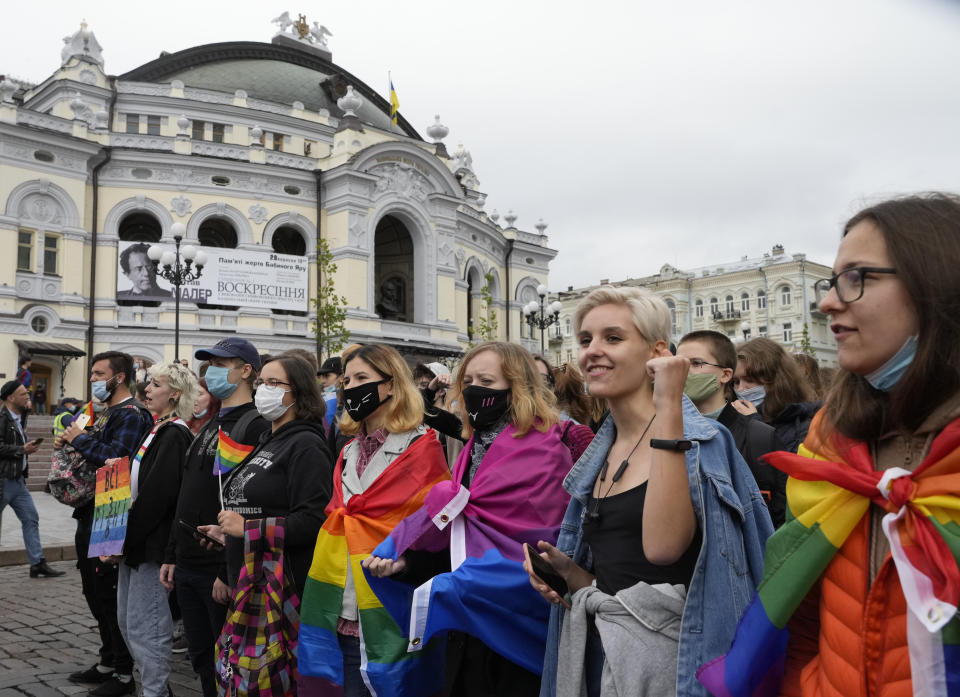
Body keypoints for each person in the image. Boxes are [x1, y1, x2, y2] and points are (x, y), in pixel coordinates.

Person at [697, 193, 960, 697]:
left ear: (936, 284)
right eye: (831, 281)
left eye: (858, 279)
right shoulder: (830, 446)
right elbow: (803, 616)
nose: (828, 302)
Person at [523, 286, 771, 697]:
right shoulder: (601, 450)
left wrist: (670, 403)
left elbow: (662, 550)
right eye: (585, 340)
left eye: (613, 338)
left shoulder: (704, 442)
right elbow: (622, 580)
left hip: (680, 670)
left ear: (657, 353)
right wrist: (571, 574)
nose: (592, 351)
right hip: (606, 660)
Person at [364, 341, 575, 697]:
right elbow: (461, 535)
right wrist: (407, 562)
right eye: (469, 380)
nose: (476, 390)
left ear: (518, 387)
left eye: (488, 382)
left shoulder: (549, 449)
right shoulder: (474, 448)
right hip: (468, 630)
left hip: (517, 631)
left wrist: (463, 584)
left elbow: (544, 549)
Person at [297, 344, 450, 697]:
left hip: (389, 610)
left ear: (392, 385)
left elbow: (436, 535)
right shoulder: (348, 450)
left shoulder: (423, 449)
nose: (351, 387)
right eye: (347, 380)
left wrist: (404, 562)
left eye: (362, 378)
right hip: (338, 607)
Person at [162, 338, 269, 697]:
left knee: (229, 661)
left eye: (222, 364)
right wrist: (172, 554)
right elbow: (187, 492)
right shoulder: (210, 423)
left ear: (246, 371)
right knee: (201, 659)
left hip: (218, 567)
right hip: (189, 563)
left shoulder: (256, 425)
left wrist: (228, 569)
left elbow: (250, 501)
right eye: (209, 364)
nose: (212, 372)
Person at [58, 351, 154, 697]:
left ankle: (124, 674)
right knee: (94, 591)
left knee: (109, 594)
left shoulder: (130, 414)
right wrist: (72, 442)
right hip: (93, 509)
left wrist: (78, 441)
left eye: (100, 374)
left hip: (111, 512)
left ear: (120, 378)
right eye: (93, 374)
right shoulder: (104, 412)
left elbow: (118, 462)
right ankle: (108, 660)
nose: (94, 380)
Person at [199, 353, 333, 595]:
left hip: (280, 587)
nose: (262, 389)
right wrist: (230, 535)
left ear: (299, 391)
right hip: (249, 578)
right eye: (260, 383)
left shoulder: (307, 445)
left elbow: (313, 521)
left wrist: (248, 529)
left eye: (273, 383)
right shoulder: (268, 440)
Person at [111, 363, 196, 697]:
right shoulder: (157, 428)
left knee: (147, 629)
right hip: (136, 544)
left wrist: (121, 540)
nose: (147, 388)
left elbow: (157, 499)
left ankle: (156, 691)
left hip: (150, 546)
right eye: (148, 382)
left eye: (156, 384)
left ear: (174, 393)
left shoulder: (174, 433)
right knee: (128, 623)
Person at [676, 331, 788, 527]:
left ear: (725, 375)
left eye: (696, 363)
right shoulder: (664, 432)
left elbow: (776, 518)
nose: (685, 371)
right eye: (680, 363)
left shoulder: (759, 436)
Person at [0, 380, 64, 578]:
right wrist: (22, 450)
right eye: (23, 395)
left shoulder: (18, 417)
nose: (28, 397)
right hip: (3, 480)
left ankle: (37, 562)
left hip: (18, 481)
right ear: (10, 398)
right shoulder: (2, 418)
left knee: (31, 518)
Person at [733, 337, 820, 453]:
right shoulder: (735, 420)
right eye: (736, 382)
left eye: (749, 380)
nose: (741, 389)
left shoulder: (804, 424)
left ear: (776, 380)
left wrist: (755, 425)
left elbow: (781, 467)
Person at [318, 355, 343, 435]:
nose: (323, 381)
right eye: (321, 377)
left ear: (342, 377)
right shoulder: (325, 401)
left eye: (327, 376)